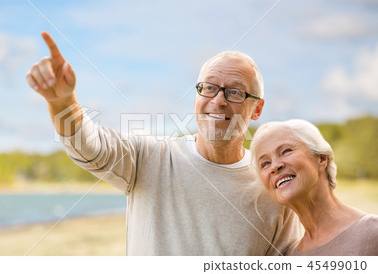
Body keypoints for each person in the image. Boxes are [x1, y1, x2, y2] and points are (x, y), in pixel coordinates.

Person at [25, 31, 300, 255]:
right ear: (196, 97)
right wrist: (61, 101)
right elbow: (88, 144)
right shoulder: (149, 158)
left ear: (257, 109)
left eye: (236, 92)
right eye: (209, 88)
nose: (218, 100)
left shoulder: (274, 185)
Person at [250, 119, 378, 255]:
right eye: (265, 163)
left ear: (322, 159)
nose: (275, 166)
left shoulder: (372, 232)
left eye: (286, 151)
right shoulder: (288, 256)